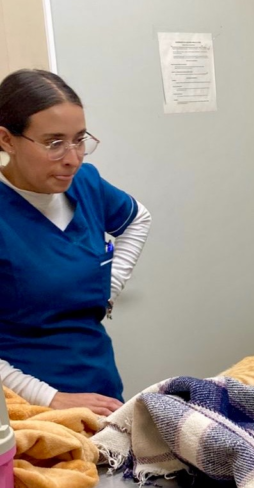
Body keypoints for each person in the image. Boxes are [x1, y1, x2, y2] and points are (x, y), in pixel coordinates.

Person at [0, 69, 151, 416]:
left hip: (100, 388)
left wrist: (107, 289)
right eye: (54, 143)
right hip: (26, 410)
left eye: (79, 139)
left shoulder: (85, 183)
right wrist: (49, 398)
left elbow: (138, 219)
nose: (73, 158)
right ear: (7, 140)